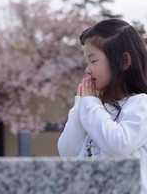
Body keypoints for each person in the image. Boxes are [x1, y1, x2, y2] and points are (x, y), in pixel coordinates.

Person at [57, 19, 147, 193]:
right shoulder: (95, 108)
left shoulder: (141, 104)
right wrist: (82, 104)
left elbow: (119, 144)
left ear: (123, 61)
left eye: (93, 61)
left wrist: (90, 104)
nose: (87, 70)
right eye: (86, 62)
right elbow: (67, 152)